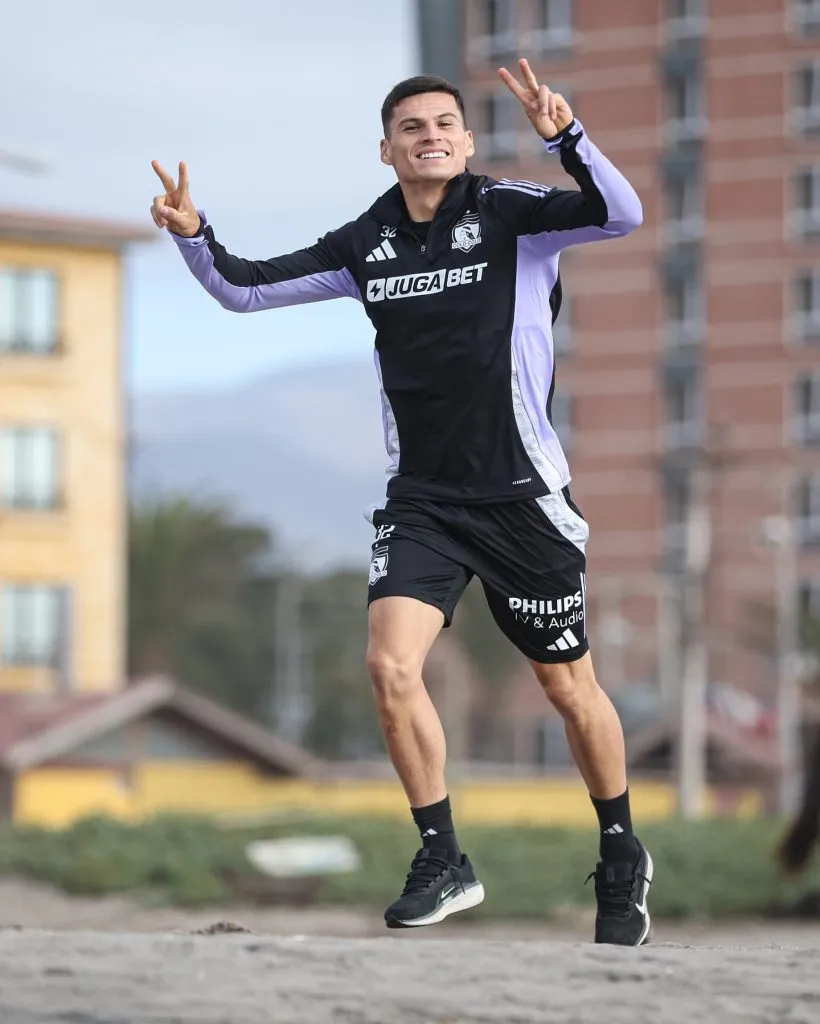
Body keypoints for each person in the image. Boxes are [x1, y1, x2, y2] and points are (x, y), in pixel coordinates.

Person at [150, 59, 651, 946]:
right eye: (412, 128)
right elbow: (243, 287)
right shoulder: (367, 244)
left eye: (445, 125)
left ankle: (619, 850)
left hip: (524, 498)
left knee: (568, 688)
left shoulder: (511, 213)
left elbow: (621, 214)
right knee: (389, 667)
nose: (431, 137)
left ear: (464, 141)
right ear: (386, 150)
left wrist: (564, 137)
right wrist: (195, 233)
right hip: (423, 499)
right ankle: (443, 858)